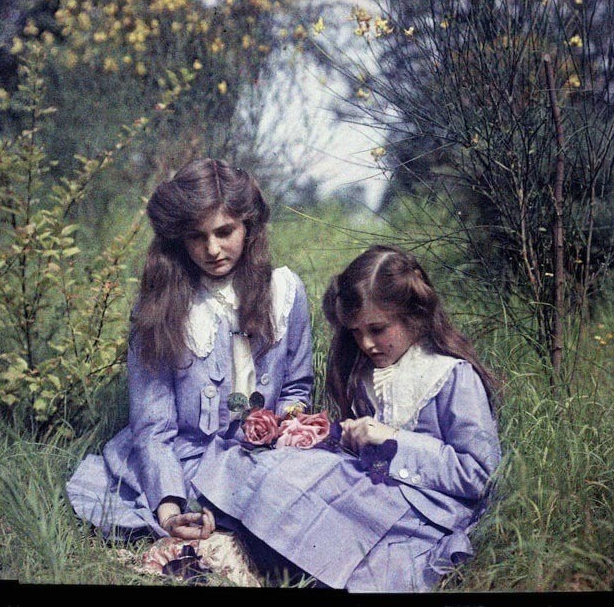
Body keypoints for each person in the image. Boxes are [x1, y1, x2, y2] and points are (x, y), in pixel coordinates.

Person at [192, 244, 501, 592]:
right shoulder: (369, 371)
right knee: (280, 466)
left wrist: (394, 440)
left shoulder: (450, 375)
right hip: (373, 488)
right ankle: (243, 533)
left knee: (357, 551)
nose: (366, 343)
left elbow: (479, 473)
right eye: (356, 332)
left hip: (422, 508)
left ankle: (281, 557)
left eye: (378, 329)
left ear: (414, 316)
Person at [66, 158, 314, 565]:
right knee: (196, 514)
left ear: (248, 227)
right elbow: (153, 423)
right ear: (178, 238)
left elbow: (296, 388)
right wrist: (169, 508)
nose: (212, 249)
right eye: (196, 237)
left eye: (224, 232)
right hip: (187, 457)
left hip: (263, 457)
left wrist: (288, 429)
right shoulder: (161, 306)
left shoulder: (285, 291)